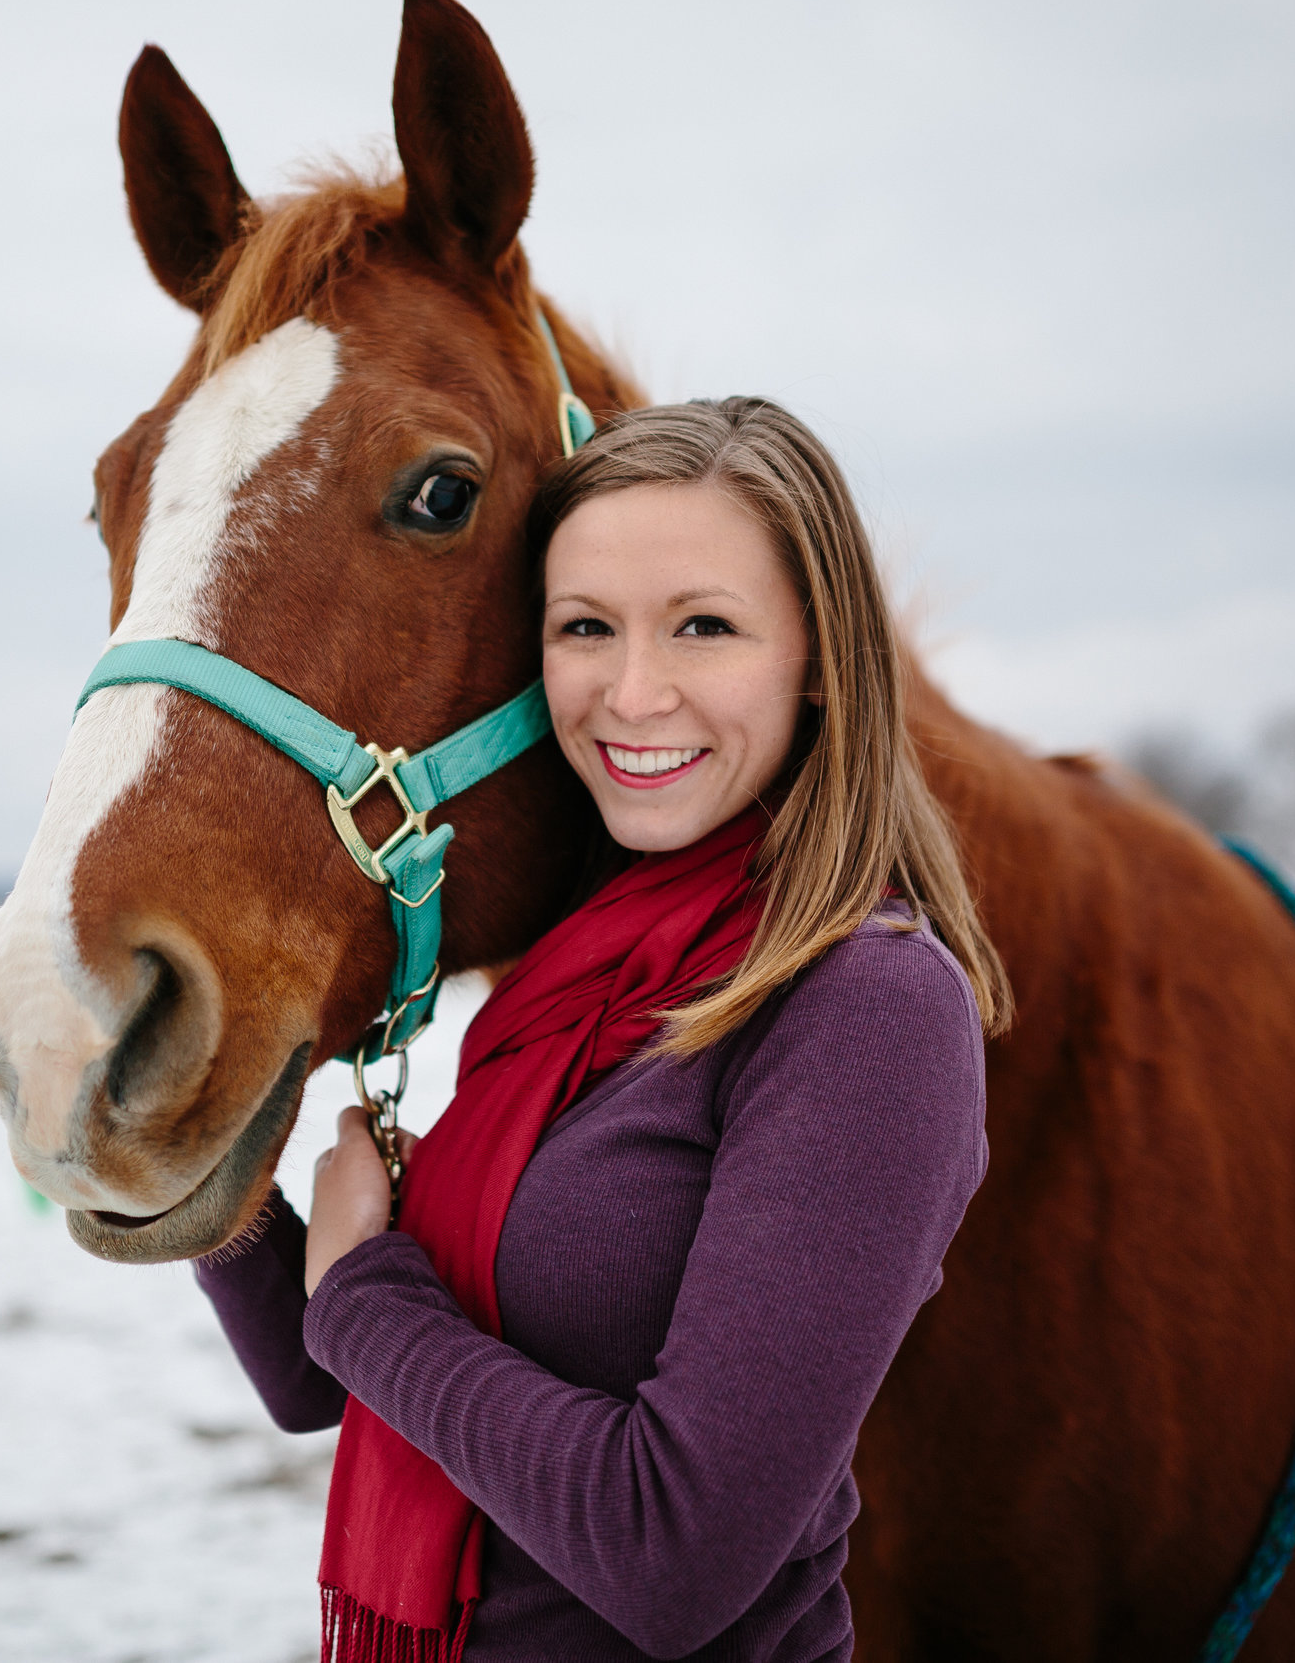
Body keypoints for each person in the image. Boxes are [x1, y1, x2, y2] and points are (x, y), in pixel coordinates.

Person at [194, 397, 1012, 1662]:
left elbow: (672, 1553)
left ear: (816, 656)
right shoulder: (579, 972)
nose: (633, 692)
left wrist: (363, 1289)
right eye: (586, 627)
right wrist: (200, 1158)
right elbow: (331, 1384)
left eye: (703, 625)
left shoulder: (865, 1008)